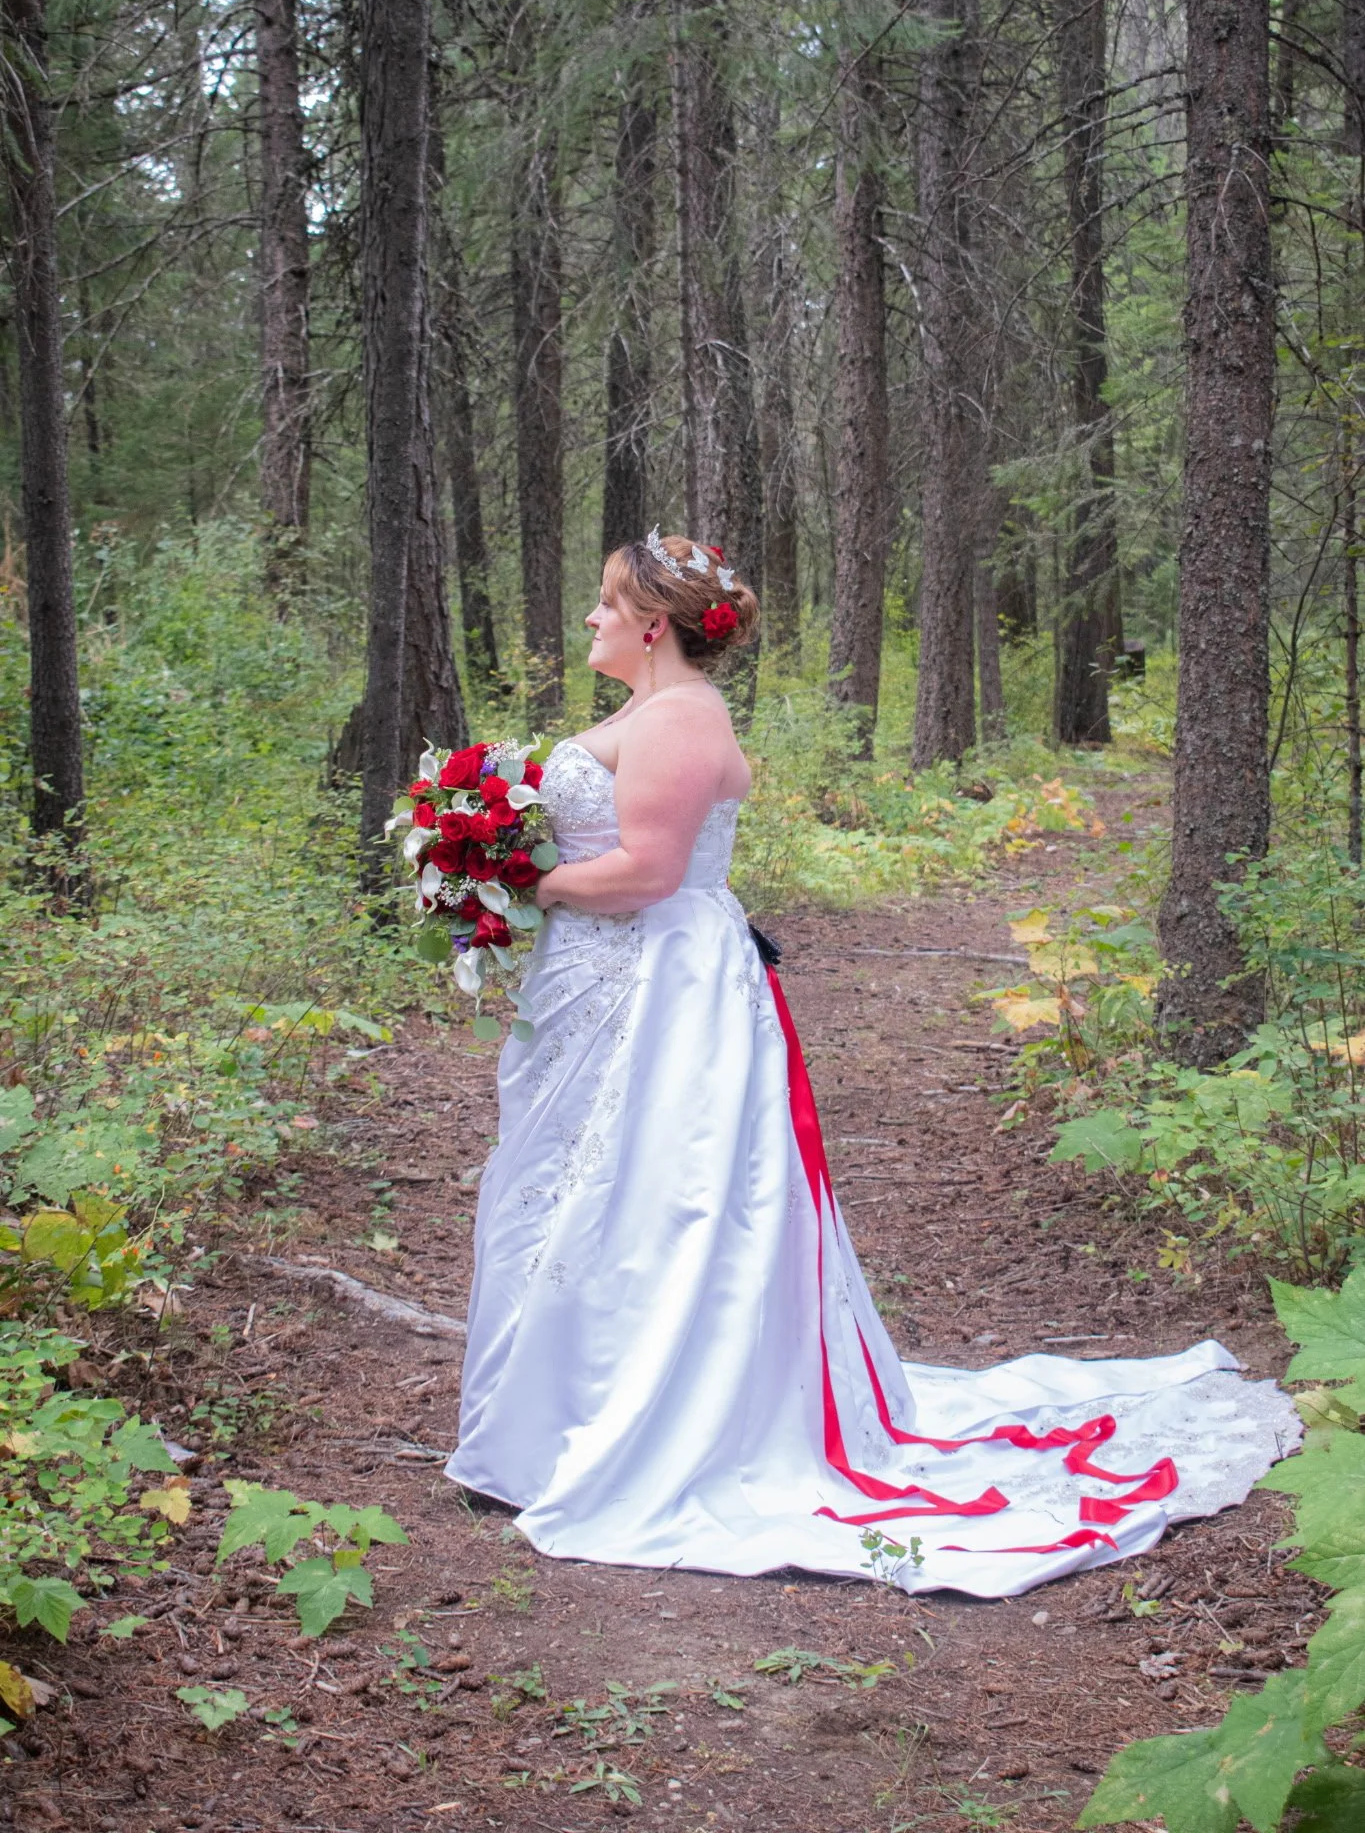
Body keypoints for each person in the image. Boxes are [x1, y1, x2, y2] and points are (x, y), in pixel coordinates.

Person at [445, 532, 1297, 1596]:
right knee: (576, 1184)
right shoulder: (645, 713)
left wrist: (521, 872)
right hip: (608, 983)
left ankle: (634, 1421)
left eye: (606, 604)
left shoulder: (678, 718)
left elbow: (652, 871)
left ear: (653, 623)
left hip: (660, 984)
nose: (590, 620)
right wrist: (498, 866)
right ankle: (548, 1419)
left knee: (650, 1188)